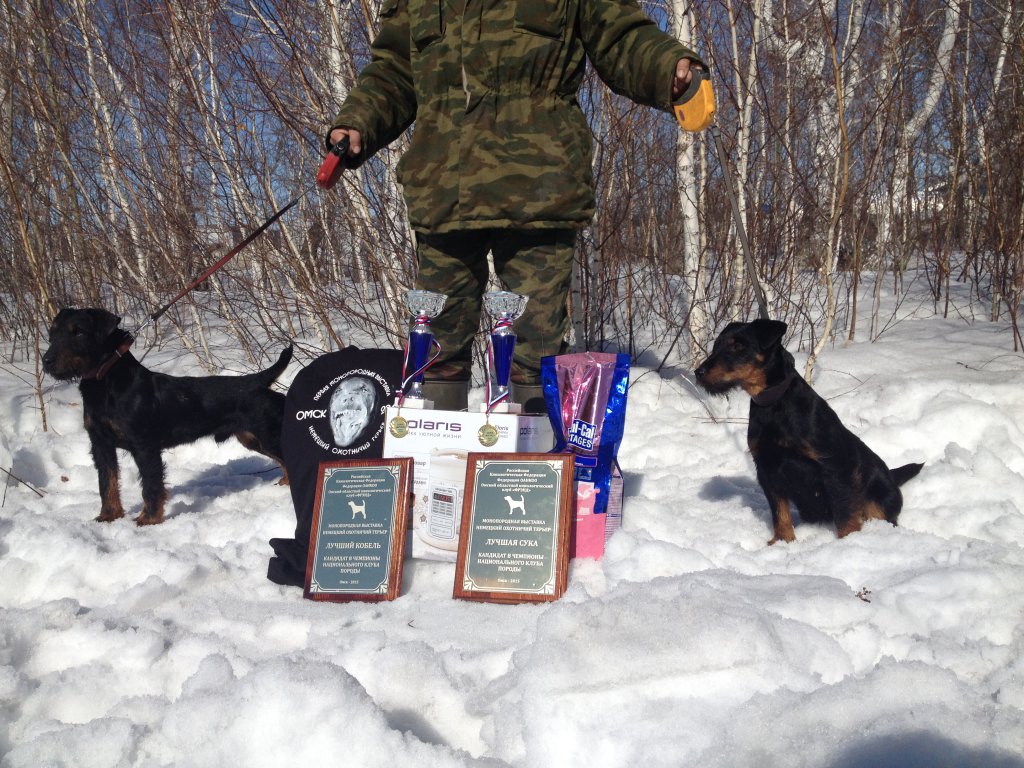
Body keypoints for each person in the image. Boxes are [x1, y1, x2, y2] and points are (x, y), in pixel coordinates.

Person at [327, 0, 704, 410]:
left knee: (537, 344)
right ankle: (435, 443)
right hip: (443, 186)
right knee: (437, 341)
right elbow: (394, 70)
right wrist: (358, 121)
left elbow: (620, 37)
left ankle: (533, 446)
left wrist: (667, 68)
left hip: (538, 185)